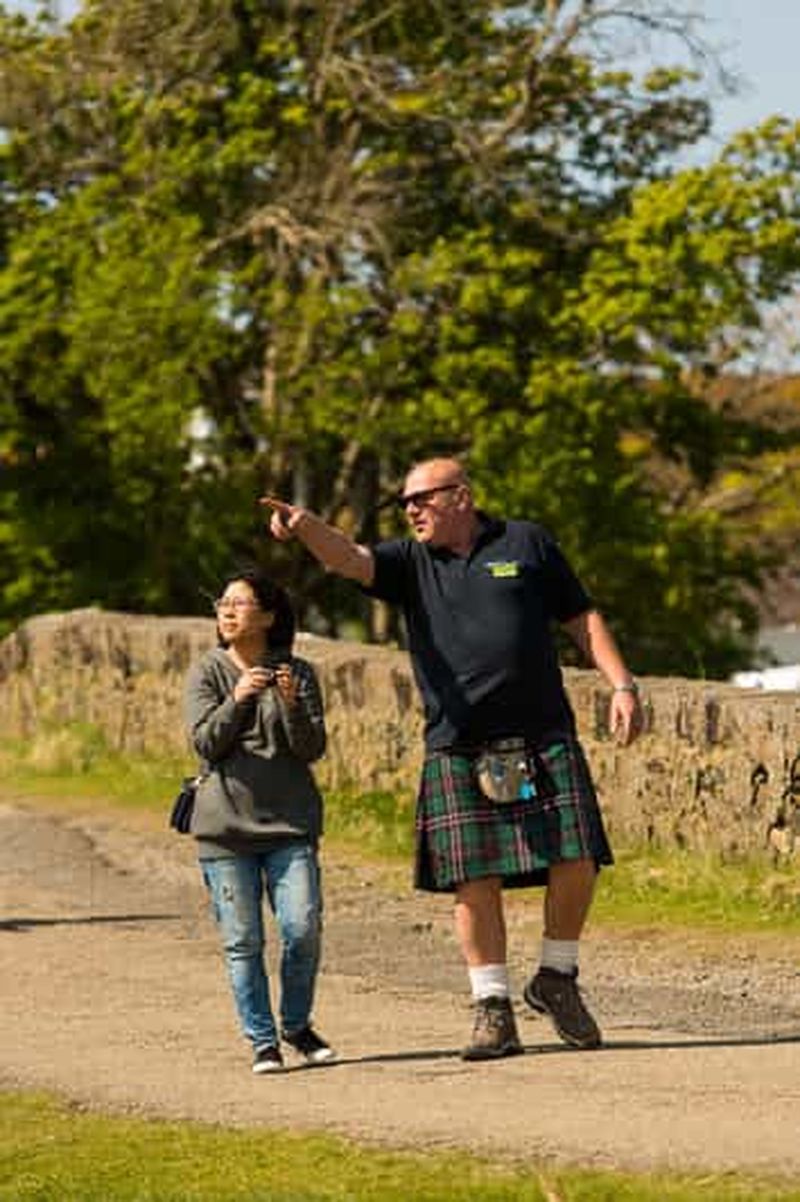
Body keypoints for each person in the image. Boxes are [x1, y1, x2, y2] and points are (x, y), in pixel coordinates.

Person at [261, 458, 642, 1061]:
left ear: (460, 497)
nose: (411, 510)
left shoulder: (526, 542)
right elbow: (347, 558)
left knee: (578, 856)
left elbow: (580, 618)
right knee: (474, 878)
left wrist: (622, 684)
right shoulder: (409, 563)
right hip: (458, 743)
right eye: (405, 503)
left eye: (423, 499)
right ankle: (492, 1009)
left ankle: (556, 977)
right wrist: (307, 526)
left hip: (543, 734)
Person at [184, 567, 335, 1073]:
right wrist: (238, 698)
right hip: (225, 828)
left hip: (290, 825)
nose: (227, 611)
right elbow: (205, 742)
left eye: (239, 603)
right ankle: (262, 1041)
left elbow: (312, 748)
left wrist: (290, 706)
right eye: (222, 603)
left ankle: (296, 1024)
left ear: (268, 616)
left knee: (302, 926)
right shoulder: (208, 672)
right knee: (243, 941)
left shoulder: (299, 673)